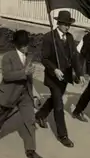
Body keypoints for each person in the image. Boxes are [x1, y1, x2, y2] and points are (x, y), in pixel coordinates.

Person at [0, 30, 42, 158]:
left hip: (25, 95)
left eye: (27, 44)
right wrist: (24, 72)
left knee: (30, 121)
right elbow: (7, 76)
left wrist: (34, 95)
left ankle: (31, 149)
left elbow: (30, 79)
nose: (26, 47)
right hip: (10, 93)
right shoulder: (8, 57)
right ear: (18, 45)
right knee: (2, 116)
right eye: (24, 45)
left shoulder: (29, 56)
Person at [34, 10, 85, 148]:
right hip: (53, 77)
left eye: (69, 24)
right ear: (59, 23)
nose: (67, 27)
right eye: (65, 24)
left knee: (55, 99)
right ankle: (63, 135)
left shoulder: (69, 37)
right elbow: (44, 58)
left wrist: (79, 73)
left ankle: (40, 115)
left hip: (65, 77)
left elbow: (74, 57)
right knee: (59, 105)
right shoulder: (49, 37)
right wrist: (54, 69)